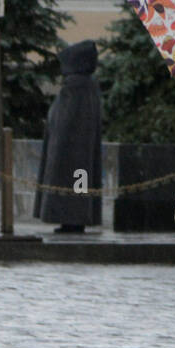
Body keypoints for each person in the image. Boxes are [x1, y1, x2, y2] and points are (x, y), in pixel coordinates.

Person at [34, 40, 102, 233]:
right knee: (79, 183)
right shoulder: (89, 87)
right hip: (81, 152)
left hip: (68, 151)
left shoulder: (74, 88)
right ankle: (75, 218)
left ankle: (71, 219)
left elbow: (62, 119)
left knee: (71, 184)